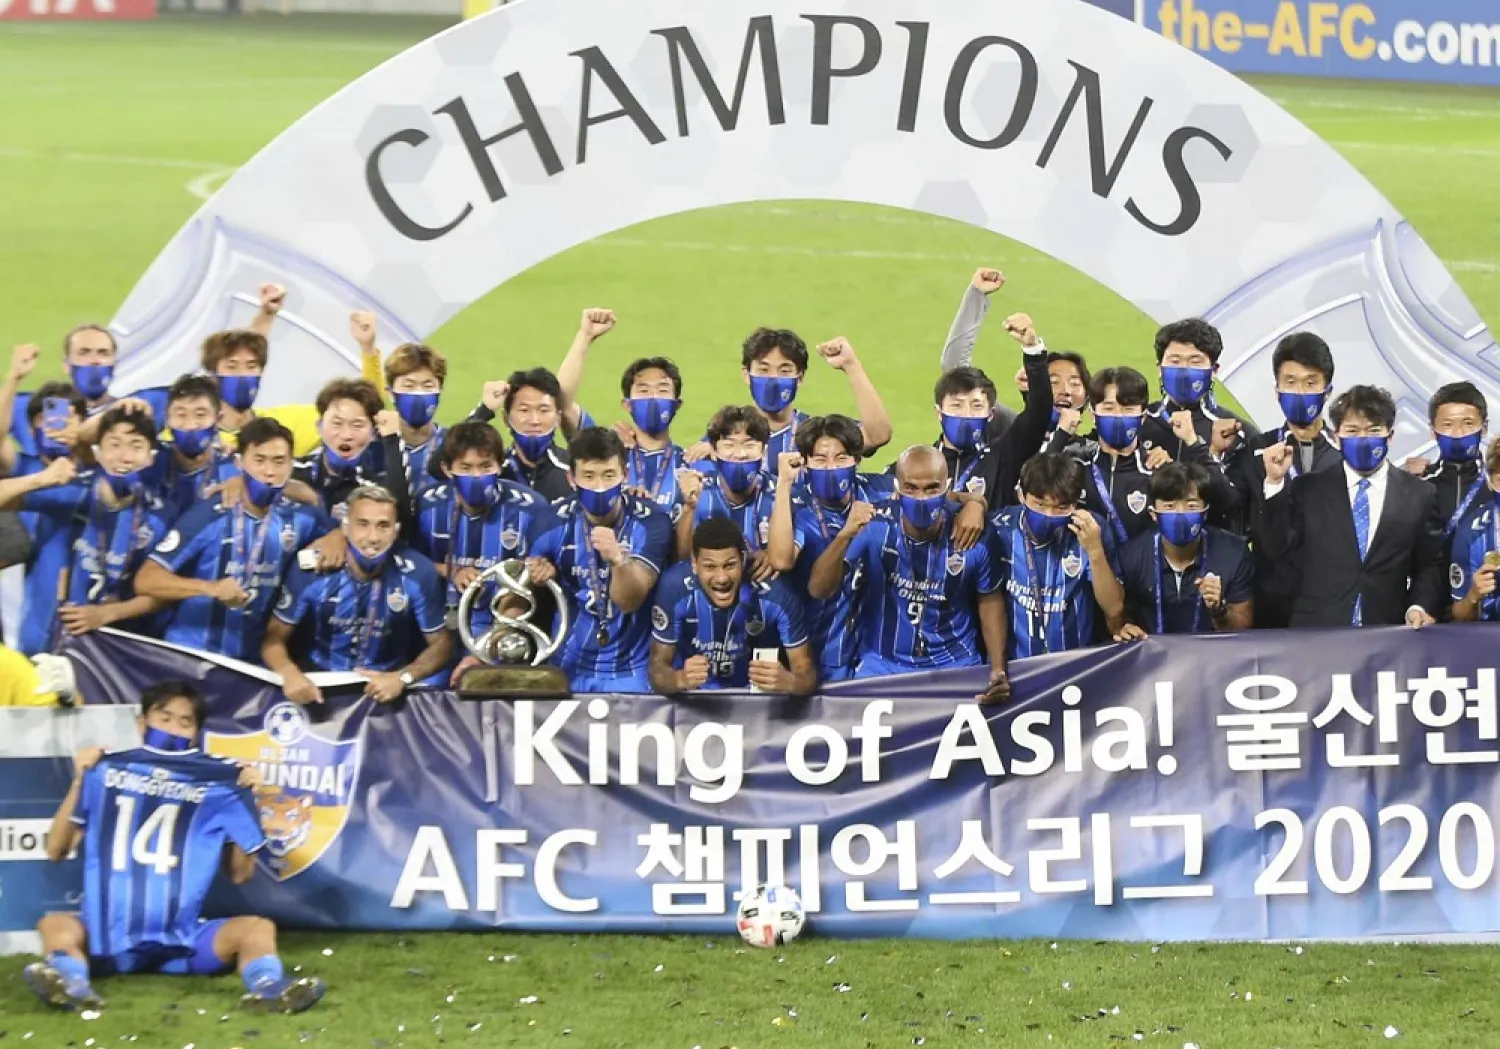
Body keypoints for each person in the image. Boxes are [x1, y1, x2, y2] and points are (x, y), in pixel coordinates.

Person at [22, 681, 325, 1015]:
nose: (173, 728)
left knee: (257, 928)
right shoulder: (103, 771)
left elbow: (241, 874)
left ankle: (268, 989)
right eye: (164, 718)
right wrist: (81, 779)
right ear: (141, 724)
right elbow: (55, 850)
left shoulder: (218, 782)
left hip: (182, 942)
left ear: (195, 733)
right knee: (56, 925)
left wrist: (247, 800)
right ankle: (73, 985)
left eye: (185, 722)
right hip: (104, 939)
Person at [809, 445, 1008, 697]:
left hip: (955, 663)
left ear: (946, 488)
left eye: (931, 489)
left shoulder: (972, 534)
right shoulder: (874, 526)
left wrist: (997, 669)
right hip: (882, 663)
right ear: (897, 488)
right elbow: (819, 589)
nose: (921, 498)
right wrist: (844, 536)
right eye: (911, 488)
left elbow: (989, 600)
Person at [135, 419, 336, 663]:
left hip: (249, 665)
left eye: (279, 461)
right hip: (190, 654)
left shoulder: (302, 517)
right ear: (240, 462)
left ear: (291, 465)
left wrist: (338, 536)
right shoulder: (210, 513)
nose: (270, 472)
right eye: (259, 460)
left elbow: (349, 534)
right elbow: (146, 580)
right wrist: (210, 588)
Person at [1260, 385, 1445, 628]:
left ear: (1390, 436)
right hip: (1316, 635)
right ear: (1337, 437)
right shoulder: (1308, 489)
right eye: (1353, 431)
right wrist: (1274, 483)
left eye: (1373, 430)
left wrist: (1418, 606)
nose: (1363, 439)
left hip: (1387, 634)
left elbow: (1430, 564)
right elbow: (1276, 549)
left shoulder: (1419, 494)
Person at [262, 485, 452, 704]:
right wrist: (289, 673)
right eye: (362, 524)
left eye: (383, 526)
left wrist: (403, 677)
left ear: (396, 531)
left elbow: (443, 644)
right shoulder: (312, 570)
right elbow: (273, 637)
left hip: (388, 686)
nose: (373, 537)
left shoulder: (419, 572)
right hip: (321, 683)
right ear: (344, 527)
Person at [0, 406, 171, 648]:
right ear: (97, 453)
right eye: (114, 444)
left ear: (150, 457)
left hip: (111, 655)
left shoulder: (159, 516)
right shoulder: (72, 493)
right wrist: (38, 480)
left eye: (136, 446)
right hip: (46, 645)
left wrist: (108, 614)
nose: (124, 456)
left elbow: (164, 593)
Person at [532, 428, 671, 693]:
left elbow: (630, 600)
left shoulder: (651, 521)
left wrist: (618, 562)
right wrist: (533, 577)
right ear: (571, 478)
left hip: (633, 670)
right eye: (588, 476)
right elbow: (518, 598)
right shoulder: (550, 521)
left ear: (625, 475)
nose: (599, 487)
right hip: (567, 665)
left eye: (609, 476)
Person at [412, 422, 560, 665]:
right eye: (466, 467)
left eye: (485, 466)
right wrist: (450, 571)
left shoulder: (532, 509)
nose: (477, 476)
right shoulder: (427, 505)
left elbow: (529, 580)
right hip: (436, 627)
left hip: (503, 629)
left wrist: (489, 646)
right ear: (447, 469)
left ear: (500, 466)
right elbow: (410, 563)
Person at [765, 415, 895, 683]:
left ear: (857, 460)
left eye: (841, 458)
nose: (831, 467)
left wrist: (973, 501)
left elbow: (926, 489)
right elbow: (780, 560)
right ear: (805, 463)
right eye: (820, 460)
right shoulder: (797, 506)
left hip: (870, 655)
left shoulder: (879, 491)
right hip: (816, 651)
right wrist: (784, 484)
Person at [1226, 332, 1342, 627]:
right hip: (1271, 608)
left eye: (1310, 382)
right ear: (1276, 391)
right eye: (1290, 382)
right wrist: (1209, 453)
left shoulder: (1348, 454)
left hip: (1333, 605)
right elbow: (1227, 504)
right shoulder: (1254, 450)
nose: (1300, 392)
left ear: (1327, 390)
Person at [205, 289, 385, 456]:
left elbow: (368, 407)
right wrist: (265, 316)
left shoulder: (284, 425)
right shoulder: (191, 432)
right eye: (232, 366)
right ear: (213, 372)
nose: (242, 375)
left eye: (251, 366)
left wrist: (368, 350)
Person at [648, 517, 816, 696]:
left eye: (730, 565)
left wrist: (790, 682)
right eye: (710, 567)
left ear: (743, 560)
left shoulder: (777, 594)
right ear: (695, 565)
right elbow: (657, 669)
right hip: (695, 700)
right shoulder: (674, 588)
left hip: (755, 702)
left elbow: (807, 674)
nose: (721, 578)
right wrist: (679, 679)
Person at [989, 453, 1127, 667]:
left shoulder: (1091, 529)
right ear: (1021, 496)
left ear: (1075, 503)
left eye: (1061, 508)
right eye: (1039, 504)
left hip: (1076, 668)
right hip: (1016, 670)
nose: (1049, 515)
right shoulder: (1000, 529)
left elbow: (1114, 608)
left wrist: (1095, 550)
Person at [554, 308, 691, 519]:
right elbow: (561, 403)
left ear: (677, 404)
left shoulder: (692, 461)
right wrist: (585, 337)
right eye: (643, 390)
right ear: (627, 404)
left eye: (662, 390)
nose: (653, 397)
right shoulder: (604, 450)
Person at [1114, 463, 1254, 639]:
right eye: (1170, 506)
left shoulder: (1233, 552)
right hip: (1153, 661)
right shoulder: (1131, 555)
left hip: (1214, 660)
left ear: (1205, 511)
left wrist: (1219, 610)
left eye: (1191, 506)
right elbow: (1116, 618)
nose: (1180, 515)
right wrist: (1125, 629)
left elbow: (1244, 630)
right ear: (1153, 514)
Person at [291, 378, 408, 521]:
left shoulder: (377, 488)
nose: (346, 435)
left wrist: (391, 440)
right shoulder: (291, 472)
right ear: (319, 427)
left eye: (357, 425)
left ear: (374, 433)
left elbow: (401, 523)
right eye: (337, 423)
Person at [676, 405, 777, 565]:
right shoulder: (700, 491)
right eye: (729, 445)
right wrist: (689, 508)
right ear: (714, 452)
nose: (740, 454)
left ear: (764, 452)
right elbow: (683, 557)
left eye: (749, 445)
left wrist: (772, 554)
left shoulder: (780, 493)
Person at [1144, 317, 1257, 459]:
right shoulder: (1140, 421)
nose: (1184, 370)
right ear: (1160, 368)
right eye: (1175, 361)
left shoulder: (1237, 432)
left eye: (1195, 362)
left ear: (1214, 371)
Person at [1068, 367, 1157, 545]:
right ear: (1093, 415)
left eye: (1128, 409)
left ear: (1143, 417)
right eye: (1109, 408)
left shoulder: (1157, 471)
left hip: (1138, 570)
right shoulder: (1074, 466)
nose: (1118, 416)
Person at [467, 368, 575, 503]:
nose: (534, 420)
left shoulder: (573, 470)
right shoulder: (491, 470)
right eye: (524, 410)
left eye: (543, 410)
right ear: (505, 418)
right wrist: (483, 411)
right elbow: (439, 466)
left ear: (558, 418)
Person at [143, 375, 238, 516]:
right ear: (167, 419)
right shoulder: (150, 461)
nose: (190, 425)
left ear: (218, 420)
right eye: (181, 415)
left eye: (200, 415)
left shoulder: (234, 469)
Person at [1406, 382, 1489, 541]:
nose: (1458, 433)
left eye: (1468, 423)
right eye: (1448, 425)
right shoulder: (1418, 484)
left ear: (1484, 428)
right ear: (1433, 431)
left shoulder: (1495, 482)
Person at [383, 341, 450, 514]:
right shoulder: (375, 447)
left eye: (428, 386)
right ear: (390, 393)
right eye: (409, 386)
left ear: (439, 391)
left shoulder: (453, 444)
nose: (418, 393)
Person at [1448, 438, 1500, 623]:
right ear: (1490, 481)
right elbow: (1459, 615)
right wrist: (1472, 596)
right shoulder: (1470, 532)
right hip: (1490, 645)